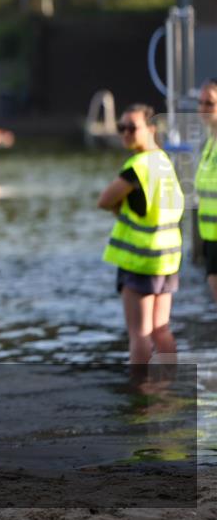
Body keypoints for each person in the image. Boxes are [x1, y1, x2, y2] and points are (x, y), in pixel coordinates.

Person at [98, 104, 183, 365]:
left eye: (132, 128)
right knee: (161, 329)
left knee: (139, 334)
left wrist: (119, 211)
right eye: (121, 128)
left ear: (151, 129)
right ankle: (170, 386)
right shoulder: (164, 161)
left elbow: (104, 200)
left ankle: (140, 398)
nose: (125, 133)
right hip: (167, 257)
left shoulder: (137, 166)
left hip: (141, 259)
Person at [194, 78, 217, 302]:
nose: (202, 108)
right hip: (211, 238)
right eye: (200, 103)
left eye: (209, 103)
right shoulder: (210, 143)